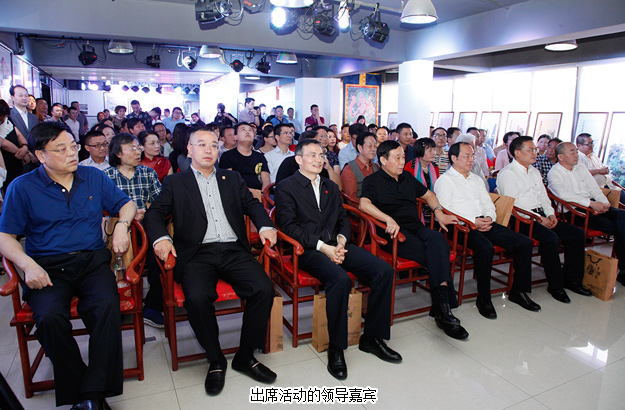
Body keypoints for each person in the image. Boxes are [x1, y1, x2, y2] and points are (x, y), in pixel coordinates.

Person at [0, 121, 136, 409]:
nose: (72, 153)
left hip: (91, 261)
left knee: (106, 307)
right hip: (47, 266)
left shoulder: (93, 177)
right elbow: (5, 236)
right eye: (61, 149)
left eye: (72, 146)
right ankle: (84, 389)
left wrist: (122, 226)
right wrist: (27, 265)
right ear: (40, 155)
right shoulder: (22, 187)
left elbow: (127, 205)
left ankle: (91, 395)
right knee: (49, 317)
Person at [144, 127, 278, 396]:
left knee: (264, 289)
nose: (208, 150)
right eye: (202, 145)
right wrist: (161, 239)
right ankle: (215, 359)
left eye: (214, 145)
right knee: (197, 297)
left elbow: (252, 205)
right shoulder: (176, 182)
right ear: (189, 149)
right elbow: (154, 214)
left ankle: (245, 355)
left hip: (233, 250)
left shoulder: (232, 178)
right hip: (197, 253)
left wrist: (265, 225)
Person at [275, 139, 401, 380]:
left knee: (383, 271)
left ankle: (372, 338)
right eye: (312, 155)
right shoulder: (286, 187)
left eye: (321, 155)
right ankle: (336, 347)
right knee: (340, 279)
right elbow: (289, 226)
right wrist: (324, 248)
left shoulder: (330, 187)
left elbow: (343, 218)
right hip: (308, 250)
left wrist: (341, 241)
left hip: (339, 245)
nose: (318, 159)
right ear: (299, 159)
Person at [359, 140, 468, 340]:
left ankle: (441, 309)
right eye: (397, 158)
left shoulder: (407, 178)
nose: (402, 162)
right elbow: (363, 204)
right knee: (436, 254)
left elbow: (429, 195)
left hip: (416, 227)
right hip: (393, 233)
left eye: (403, 157)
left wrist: (439, 213)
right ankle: (444, 310)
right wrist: (387, 218)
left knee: (438, 239)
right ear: (383, 160)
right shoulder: (372, 181)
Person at [434, 142, 541, 319]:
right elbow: (446, 210)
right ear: (454, 158)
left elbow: (488, 203)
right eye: (466, 156)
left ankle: (519, 291)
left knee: (524, 242)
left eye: (472, 156)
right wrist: (473, 221)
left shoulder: (476, 179)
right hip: (460, 226)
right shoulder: (445, 181)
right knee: (485, 248)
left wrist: (490, 217)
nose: (471, 160)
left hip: (484, 221)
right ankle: (484, 298)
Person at [497, 136, 591, 302]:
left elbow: (543, 196)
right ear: (517, 153)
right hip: (520, 218)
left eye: (535, 150)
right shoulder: (508, 174)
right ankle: (556, 285)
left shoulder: (534, 171)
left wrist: (550, 214)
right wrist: (539, 218)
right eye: (531, 150)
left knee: (576, 234)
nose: (535, 153)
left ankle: (572, 280)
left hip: (540, 215)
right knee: (550, 238)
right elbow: (514, 204)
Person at [105, 133, 163, 328]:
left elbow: (161, 203)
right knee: (110, 264)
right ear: (118, 153)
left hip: (145, 227)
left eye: (139, 148)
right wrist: (126, 216)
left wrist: (146, 211)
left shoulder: (148, 173)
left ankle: (153, 307)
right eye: (133, 148)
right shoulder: (106, 176)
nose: (138, 152)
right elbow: (101, 208)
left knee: (159, 258)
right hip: (117, 231)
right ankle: (119, 303)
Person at [548, 142, 625, 281]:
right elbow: (564, 195)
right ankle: (623, 270)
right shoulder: (554, 173)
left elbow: (594, 189)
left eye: (576, 151)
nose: (576, 155)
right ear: (561, 156)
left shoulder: (581, 168)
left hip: (594, 205)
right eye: (572, 152)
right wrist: (592, 204)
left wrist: (604, 204)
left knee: (622, 216)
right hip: (575, 211)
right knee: (618, 227)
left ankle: (624, 269)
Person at [219, 122, 270, 194]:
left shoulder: (260, 156)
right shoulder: (227, 156)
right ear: (235, 137)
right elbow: (228, 181)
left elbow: (266, 180)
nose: (247, 132)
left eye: (250, 130)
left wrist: (261, 195)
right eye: (243, 130)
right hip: (236, 195)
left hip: (258, 195)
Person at [576, 133, 625, 204]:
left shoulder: (594, 156)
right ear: (579, 146)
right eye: (588, 144)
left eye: (592, 143)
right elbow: (581, 173)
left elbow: (602, 169)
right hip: (596, 190)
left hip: (609, 185)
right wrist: (599, 171)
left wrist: (605, 170)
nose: (592, 146)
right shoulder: (577, 158)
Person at [340, 132, 379, 199]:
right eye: (370, 146)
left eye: (375, 146)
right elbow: (351, 200)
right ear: (360, 148)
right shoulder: (349, 170)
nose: (374, 149)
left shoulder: (376, 166)